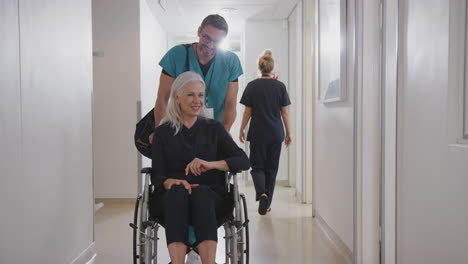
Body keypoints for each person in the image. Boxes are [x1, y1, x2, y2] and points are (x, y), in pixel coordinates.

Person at [150, 71, 250, 264]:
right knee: (179, 192)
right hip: (171, 199)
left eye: (200, 95)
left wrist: (211, 164)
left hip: (211, 197)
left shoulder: (214, 129)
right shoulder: (163, 132)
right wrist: (171, 182)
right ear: (177, 97)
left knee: (202, 193)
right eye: (190, 94)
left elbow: (243, 160)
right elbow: (157, 174)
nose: (197, 100)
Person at [149, 14, 243, 144]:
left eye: (216, 41)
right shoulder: (176, 55)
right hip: (180, 128)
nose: (210, 45)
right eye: (206, 38)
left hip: (214, 130)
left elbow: (230, 103)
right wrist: (159, 131)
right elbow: (163, 98)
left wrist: (224, 133)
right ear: (199, 31)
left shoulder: (231, 61)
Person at [239, 50, 292, 215]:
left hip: (258, 133)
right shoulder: (280, 86)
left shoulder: (252, 86)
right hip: (276, 133)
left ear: (259, 68)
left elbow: (247, 112)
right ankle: (267, 203)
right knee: (272, 168)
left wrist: (241, 129)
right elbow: (285, 113)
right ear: (271, 67)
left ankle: (261, 192)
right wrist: (289, 133)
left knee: (257, 166)